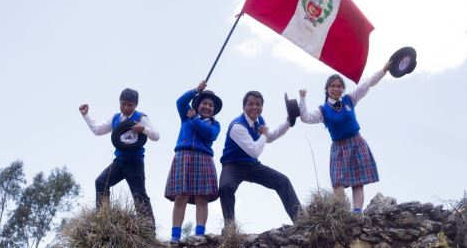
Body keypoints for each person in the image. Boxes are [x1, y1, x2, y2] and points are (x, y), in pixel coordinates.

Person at [297, 61, 391, 214]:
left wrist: (384, 70)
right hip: (339, 147)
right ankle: (343, 213)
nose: (336, 88)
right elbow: (306, 118)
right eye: (333, 86)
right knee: (337, 182)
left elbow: (367, 84)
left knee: (358, 181)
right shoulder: (323, 110)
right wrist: (302, 98)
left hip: (356, 142)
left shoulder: (349, 100)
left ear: (342, 89)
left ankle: (357, 212)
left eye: (339, 86)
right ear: (327, 89)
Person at [219, 91, 302, 231]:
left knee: (282, 181)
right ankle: (229, 228)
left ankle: (301, 221)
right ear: (244, 106)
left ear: (262, 107)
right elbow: (254, 150)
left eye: (258, 104)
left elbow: (270, 137)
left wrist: (288, 122)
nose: (254, 107)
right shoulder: (237, 126)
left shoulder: (259, 121)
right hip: (232, 165)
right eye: (250, 104)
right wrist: (263, 134)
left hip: (251, 165)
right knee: (225, 188)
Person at [79, 88, 159, 231]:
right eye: (123, 104)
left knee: (139, 194)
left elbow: (156, 136)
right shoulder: (116, 118)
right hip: (120, 161)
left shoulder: (141, 118)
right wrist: (86, 115)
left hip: (135, 162)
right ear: (119, 103)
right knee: (101, 182)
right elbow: (98, 130)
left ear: (135, 105)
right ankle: (103, 218)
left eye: (130, 105)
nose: (126, 108)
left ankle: (148, 228)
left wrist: (144, 130)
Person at [165, 81, 222, 243]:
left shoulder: (214, 125)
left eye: (211, 105)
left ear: (214, 110)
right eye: (204, 103)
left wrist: (195, 118)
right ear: (198, 104)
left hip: (203, 158)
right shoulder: (186, 115)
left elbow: (209, 135)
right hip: (184, 156)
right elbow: (180, 102)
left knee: (201, 198)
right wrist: (196, 90)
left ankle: (199, 234)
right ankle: (175, 236)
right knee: (181, 196)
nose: (207, 107)